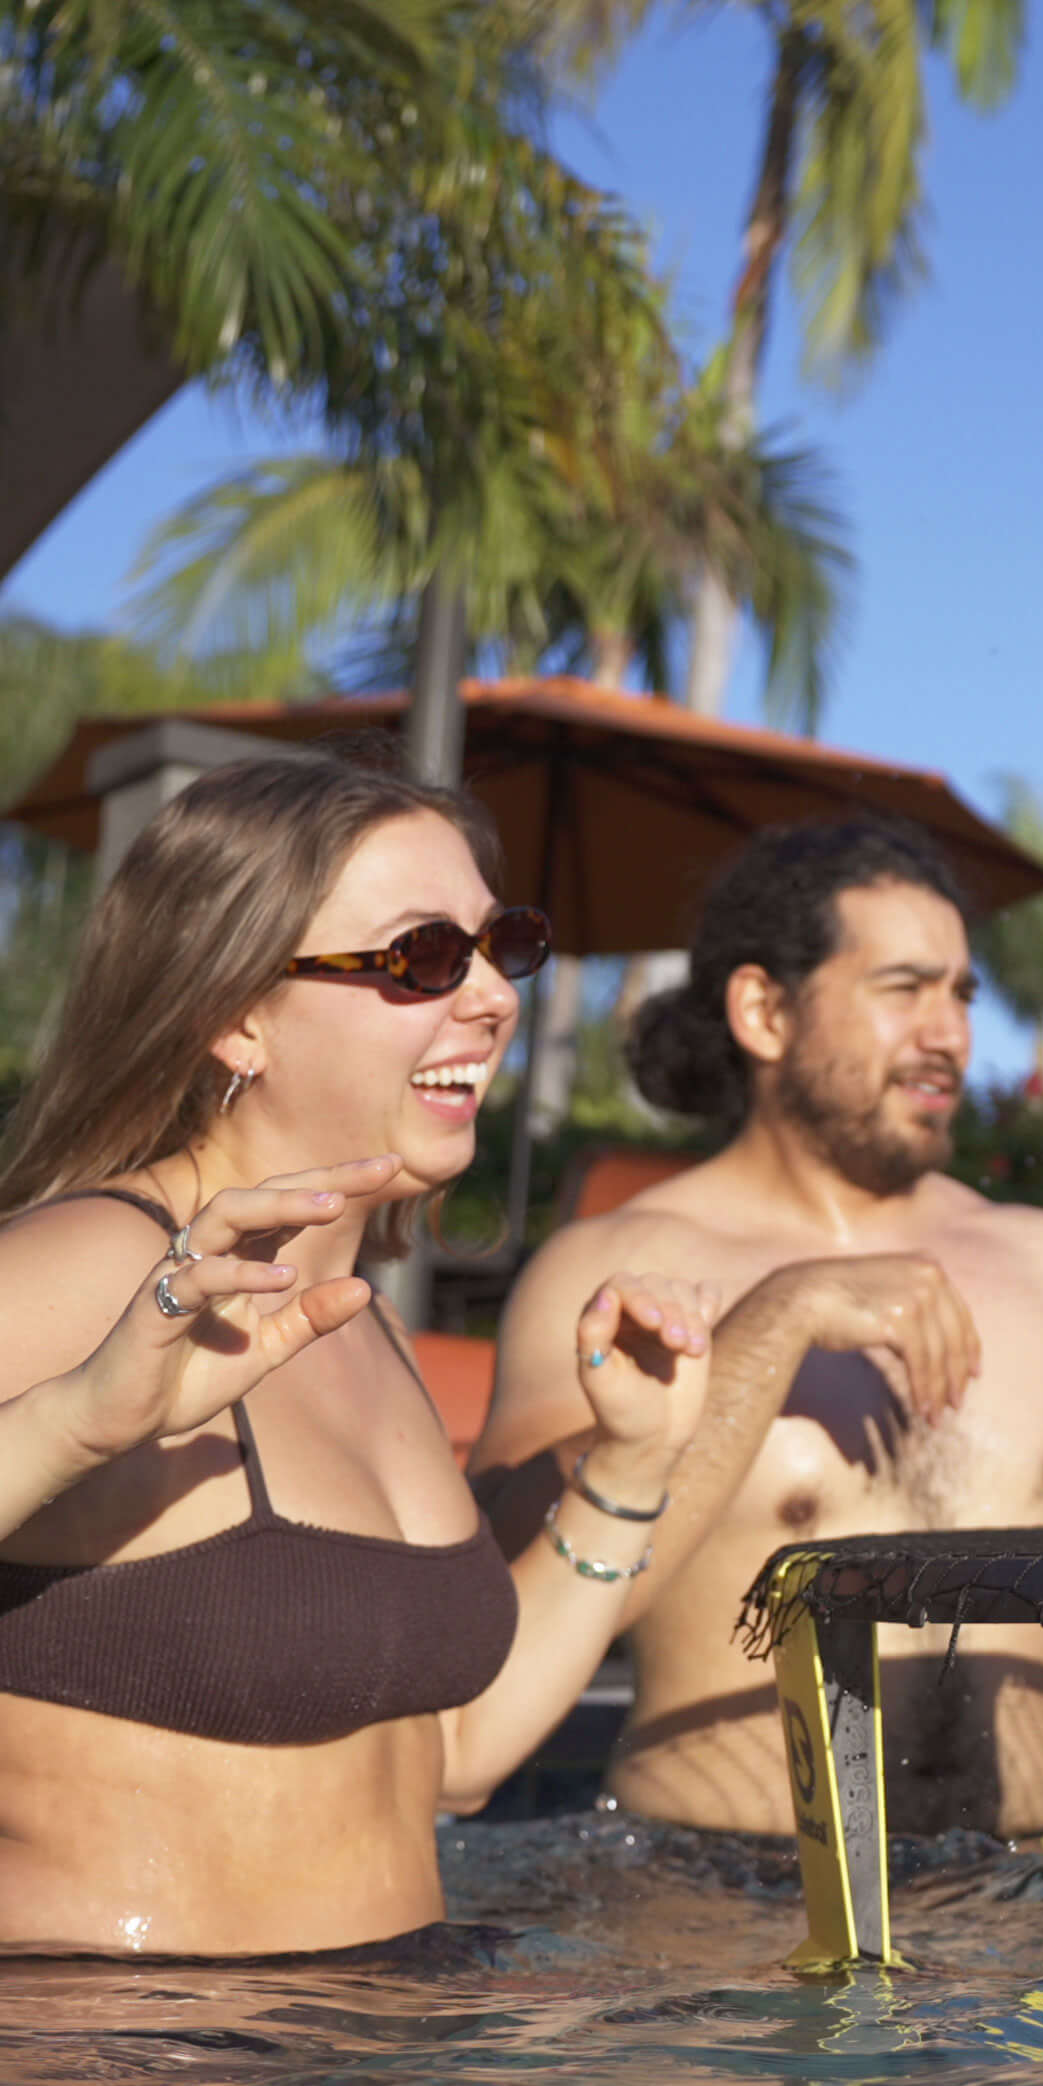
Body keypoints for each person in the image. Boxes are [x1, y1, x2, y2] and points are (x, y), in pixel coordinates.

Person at [477, 818, 1043, 1841]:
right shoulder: (615, 1271)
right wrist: (774, 1320)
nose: (950, 1033)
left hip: (1021, 1921)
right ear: (763, 1010)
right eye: (903, 988)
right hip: (720, 1914)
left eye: (962, 994)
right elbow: (491, 1592)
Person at [0, 753, 719, 1957]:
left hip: (381, 2083)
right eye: (425, 957)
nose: (493, 995)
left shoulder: (354, 1313)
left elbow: (455, 1755)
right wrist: (70, 1422)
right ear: (234, 1013)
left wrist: (633, 1468)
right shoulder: (87, 1265)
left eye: (505, 943)